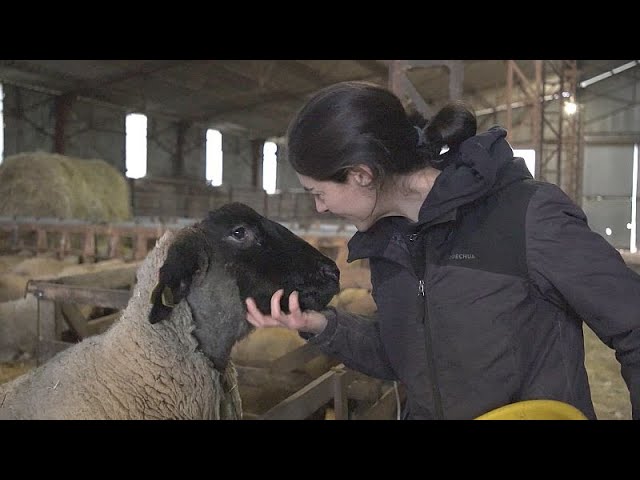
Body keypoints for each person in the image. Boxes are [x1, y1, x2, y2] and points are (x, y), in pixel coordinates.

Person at [244, 80, 640, 420]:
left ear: (362, 174)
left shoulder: (527, 216)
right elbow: (408, 358)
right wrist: (322, 326)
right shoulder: (391, 243)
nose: (320, 207)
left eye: (319, 192)